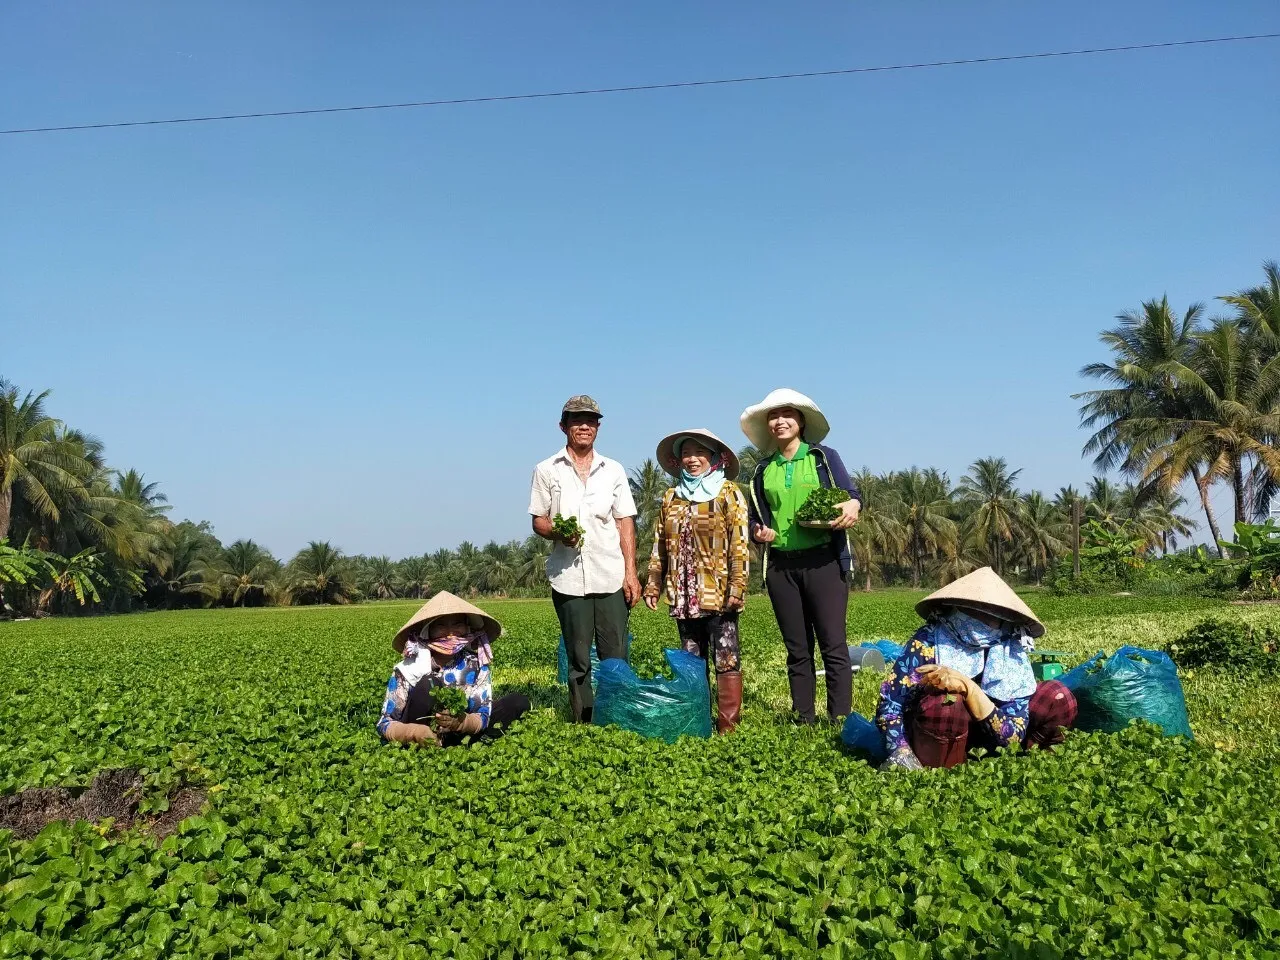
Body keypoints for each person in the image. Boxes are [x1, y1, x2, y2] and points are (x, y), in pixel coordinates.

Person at [875, 567, 1077, 770]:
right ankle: (940, 774)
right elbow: (890, 705)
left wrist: (969, 688)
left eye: (990, 615)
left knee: (1056, 697)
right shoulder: (929, 641)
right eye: (973, 612)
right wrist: (900, 752)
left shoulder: (1010, 649)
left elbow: (1013, 736)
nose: (982, 621)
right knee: (947, 703)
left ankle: (1034, 768)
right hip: (937, 739)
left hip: (995, 736)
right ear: (956, 608)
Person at [740, 388, 860, 723]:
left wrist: (853, 505)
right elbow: (754, 517)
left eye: (787, 414)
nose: (780, 421)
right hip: (781, 567)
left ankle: (840, 719)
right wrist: (758, 532)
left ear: (801, 421)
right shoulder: (763, 471)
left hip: (824, 562)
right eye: (773, 416)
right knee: (797, 649)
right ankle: (804, 717)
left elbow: (851, 494)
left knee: (833, 646)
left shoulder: (823, 458)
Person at [529, 395, 641, 722]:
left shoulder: (614, 470)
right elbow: (538, 520)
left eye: (590, 421)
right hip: (567, 577)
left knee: (615, 654)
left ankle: (616, 716)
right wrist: (558, 532)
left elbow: (625, 522)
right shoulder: (546, 469)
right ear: (563, 426)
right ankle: (584, 720)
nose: (584, 426)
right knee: (578, 656)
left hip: (610, 574)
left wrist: (631, 572)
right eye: (576, 420)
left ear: (598, 427)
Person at [643, 429, 750, 733]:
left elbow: (739, 543)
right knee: (692, 660)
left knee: (726, 658)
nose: (692, 459)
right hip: (684, 593)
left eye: (699, 452)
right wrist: (653, 582)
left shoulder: (727, 493)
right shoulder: (671, 496)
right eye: (686, 453)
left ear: (715, 458)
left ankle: (728, 724)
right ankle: (698, 721)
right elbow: (660, 544)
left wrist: (738, 585)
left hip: (718, 592)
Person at [378, 591, 530, 747]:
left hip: (460, 733)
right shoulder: (408, 669)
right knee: (429, 684)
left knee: (517, 702)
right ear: (427, 631)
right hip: (417, 737)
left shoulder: (475, 664)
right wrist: (415, 733)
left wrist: (461, 723)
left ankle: (459, 745)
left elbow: (483, 713)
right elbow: (385, 723)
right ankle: (425, 745)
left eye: (457, 624)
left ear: (467, 628)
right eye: (441, 625)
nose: (450, 633)